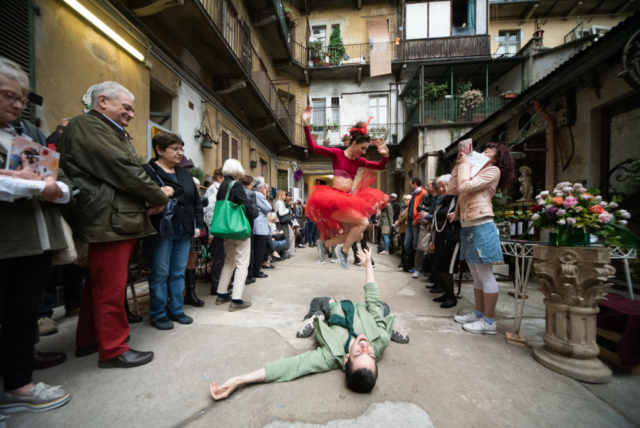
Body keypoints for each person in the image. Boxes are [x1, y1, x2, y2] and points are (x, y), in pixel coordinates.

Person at [59, 81, 169, 367]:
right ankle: (114, 349)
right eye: (126, 108)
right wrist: (159, 195)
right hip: (109, 218)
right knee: (110, 287)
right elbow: (125, 169)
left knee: (99, 285)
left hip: (113, 216)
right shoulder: (89, 126)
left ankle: (88, 340)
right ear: (103, 101)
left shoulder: (102, 128)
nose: (131, 114)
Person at [209, 249, 409, 400]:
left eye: (359, 353)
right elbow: (372, 298)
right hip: (365, 310)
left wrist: (239, 380)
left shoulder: (331, 356)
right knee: (381, 308)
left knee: (319, 301)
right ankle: (387, 327)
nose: (366, 347)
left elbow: (293, 367)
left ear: (347, 358)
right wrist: (367, 265)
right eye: (371, 354)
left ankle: (315, 318)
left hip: (336, 309)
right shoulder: (379, 341)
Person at [0, 57, 72, 412]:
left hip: (35, 240)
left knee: (21, 316)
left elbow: (56, 182)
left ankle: (18, 386)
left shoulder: (27, 135)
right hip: (6, 240)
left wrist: (51, 188)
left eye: (22, 98)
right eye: (8, 96)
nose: (17, 104)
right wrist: (32, 186)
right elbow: (34, 184)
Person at [302, 106, 390, 270]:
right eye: (362, 148)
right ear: (354, 143)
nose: (363, 153)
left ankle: (325, 244)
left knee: (359, 234)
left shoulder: (358, 161)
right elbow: (313, 147)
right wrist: (306, 124)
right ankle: (343, 252)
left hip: (346, 201)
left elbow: (379, 166)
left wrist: (385, 156)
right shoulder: (337, 154)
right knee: (363, 222)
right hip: (334, 200)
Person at [448, 143, 515, 334]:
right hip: (469, 225)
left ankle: (489, 321)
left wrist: (465, 165)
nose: (482, 153)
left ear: (496, 159)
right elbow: (453, 189)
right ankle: (478, 313)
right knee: (477, 275)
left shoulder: (493, 171)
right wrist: (459, 164)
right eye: (483, 150)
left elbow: (464, 186)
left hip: (482, 225)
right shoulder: (472, 171)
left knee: (485, 275)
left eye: (488, 152)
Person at [142, 133, 204, 330]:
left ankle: (176, 309)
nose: (180, 153)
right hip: (160, 229)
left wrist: (198, 225)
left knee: (178, 272)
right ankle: (158, 313)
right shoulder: (148, 171)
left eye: (181, 149)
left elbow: (196, 203)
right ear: (159, 150)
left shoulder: (185, 174)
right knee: (160, 273)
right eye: (175, 149)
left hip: (184, 230)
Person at [214, 159, 256, 311]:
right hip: (238, 229)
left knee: (229, 260)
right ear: (237, 171)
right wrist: (252, 219)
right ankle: (236, 300)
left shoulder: (222, 186)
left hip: (226, 229)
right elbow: (247, 206)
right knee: (242, 262)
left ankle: (222, 293)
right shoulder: (236, 185)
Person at [176, 156, 206, 308]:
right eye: (186, 168)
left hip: (192, 228)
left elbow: (198, 206)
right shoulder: (173, 180)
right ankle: (175, 297)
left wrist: (199, 226)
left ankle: (190, 293)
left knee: (191, 264)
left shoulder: (191, 182)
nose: (189, 170)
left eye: (190, 168)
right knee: (176, 266)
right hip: (176, 229)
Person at [429, 175, 460, 309]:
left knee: (448, 268)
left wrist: (457, 215)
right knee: (440, 267)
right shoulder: (442, 200)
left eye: (445, 185)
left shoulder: (458, 199)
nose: (442, 189)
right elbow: (435, 220)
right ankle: (447, 293)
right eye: (440, 186)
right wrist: (432, 238)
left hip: (452, 238)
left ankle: (451, 297)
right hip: (440, 238)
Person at [204, 167, 225, 295]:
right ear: (219, 177)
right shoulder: (213, 189)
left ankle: (219, 284)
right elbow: (210, 211)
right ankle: (216, 286)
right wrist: (211, 233)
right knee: (218, 259)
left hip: (219, 228)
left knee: (221, 258)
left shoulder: (218, 189)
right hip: (216, 229)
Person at [404, 178, 428, 275]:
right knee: (407, 244)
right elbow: (411, 208)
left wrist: (416, 220)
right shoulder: (414, 194)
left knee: (416, 245)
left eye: (410, 184)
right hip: (410, 222)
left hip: (415, 222)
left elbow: (421, 209)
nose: (409, 186)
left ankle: (417, 267)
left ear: (415, 183)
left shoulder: (423, 193)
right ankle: (410, 265)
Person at [252, 177, 272, 279]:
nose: (265, 188)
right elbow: (268, 208)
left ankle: (255, 270)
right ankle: (256, 271)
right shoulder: (259, 195)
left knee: (255, 250)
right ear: (260, 187)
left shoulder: (252, 193)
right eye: (264, 186)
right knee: (259, 250)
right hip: (260, 226)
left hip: (255, 224)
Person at [241, 175, 259, 285]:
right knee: (249, 252)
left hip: (234, 226)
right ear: (249, 183)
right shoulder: (251, 193)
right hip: (247, 225)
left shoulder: (234, 191)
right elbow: (254, 213)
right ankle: (249, 276)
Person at [394, 195, 411, 269]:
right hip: (402, 229)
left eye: (407, 200)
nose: (405, 201)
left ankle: (405, 262)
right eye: (404, 200)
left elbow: (405, 217)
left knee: (405, 246)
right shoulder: (405, 208)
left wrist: (398, 222)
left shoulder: (409, 209)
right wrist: (397, 221)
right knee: (403, 246)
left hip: (406, 229)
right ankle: (403, 261)